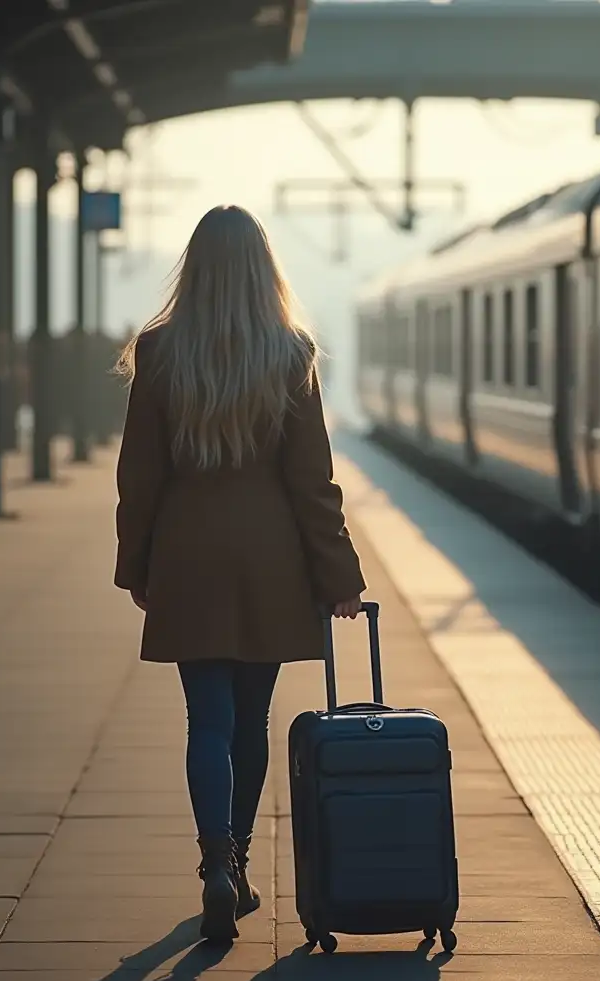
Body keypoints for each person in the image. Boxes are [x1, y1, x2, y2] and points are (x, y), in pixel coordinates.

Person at [114, 205, 366, 943]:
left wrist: (136, 563)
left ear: (192, 268)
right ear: (264, 267)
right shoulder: (289, 352)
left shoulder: (159, 353)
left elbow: (140, 478)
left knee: (207, 720)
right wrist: (339, 576)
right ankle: (243, 865)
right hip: (269, 558)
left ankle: (213, 864)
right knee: (251, 721)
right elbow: (313, 482)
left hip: (188, 551)